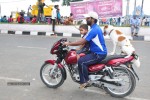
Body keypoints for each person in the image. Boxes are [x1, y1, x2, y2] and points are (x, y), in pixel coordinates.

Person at [63, 12, 107, 89]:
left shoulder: (94, 30)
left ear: (93, 19)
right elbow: (83, 40)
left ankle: (85, 81)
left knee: (81, 61)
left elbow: (82, 41)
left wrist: (69, 44)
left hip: (98, 53)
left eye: (88, 18)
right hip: (96, 51)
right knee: (81, 56)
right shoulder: (94, 28)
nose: (86, 19)